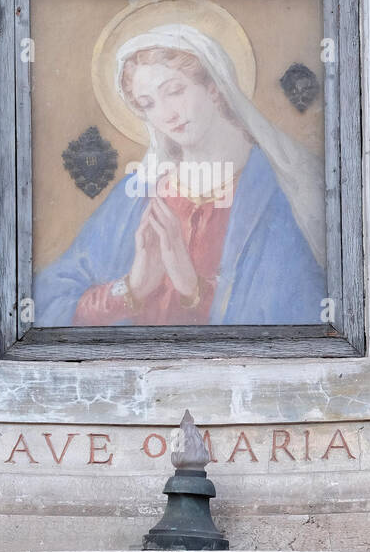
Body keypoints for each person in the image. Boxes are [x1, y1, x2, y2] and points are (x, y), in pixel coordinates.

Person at [32, 23, 327, 326]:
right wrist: (132, 288)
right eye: (148, 104)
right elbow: (48, 302)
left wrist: (193, 288)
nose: (166, 114)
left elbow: (301, 314)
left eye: (174, 91)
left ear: (213, 88)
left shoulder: (277, 187)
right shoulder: (137, 194)